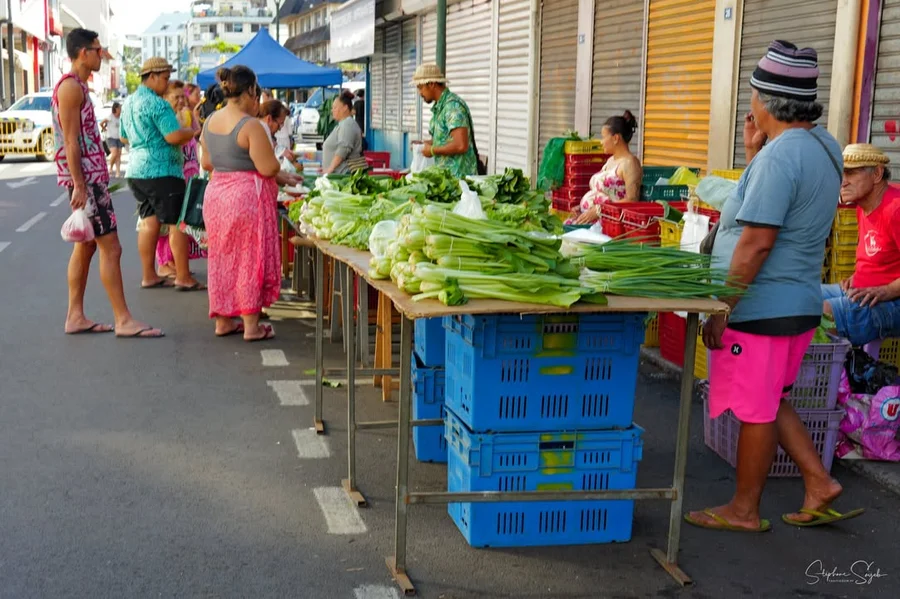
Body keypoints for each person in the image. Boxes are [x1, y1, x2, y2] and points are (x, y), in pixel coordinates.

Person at [685, 41, 863, 532]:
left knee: (757, 409)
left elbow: (757, 243)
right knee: (771, 397)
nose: (751, 104)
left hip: (762, 306)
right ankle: (817, 481)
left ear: (769, 101)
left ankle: (744, 509)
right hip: (799, 301)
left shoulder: (782, 157)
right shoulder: (823, 145)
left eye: (755, 94)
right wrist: (753, 153)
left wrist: (724, 306)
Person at [52, 28, 162, 338]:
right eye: (98, 50)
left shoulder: (76, 87)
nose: (102, 55)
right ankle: (123, 319)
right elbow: (71, 141)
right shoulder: (71, 88)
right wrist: (80, 184)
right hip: (87, 180)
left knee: (86, 246)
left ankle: (75, 316)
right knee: (111, 248)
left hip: (88, 178)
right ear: (83, 52)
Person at [199, 66, 281, 341]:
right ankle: (251, 326)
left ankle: (223, 320)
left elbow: (206, 162)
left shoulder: (210, 120)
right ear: (249, 91)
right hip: (245, 197)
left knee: (221, 257)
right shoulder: (250, 126)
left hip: (217, 194)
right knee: (248, 258)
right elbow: (268, 167)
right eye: (256, 93)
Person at [121, 58, 200, 291]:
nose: (167, 84)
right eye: (165, 78)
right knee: (177, 223)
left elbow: (125, 137)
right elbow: (173, 136)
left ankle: (149, 275)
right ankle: (183, 277)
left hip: (136, 170)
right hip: (162, 171)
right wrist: (192, 132)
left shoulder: (129, 103)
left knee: (149, 222)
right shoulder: (158, 104)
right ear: (152, 76)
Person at [821, 144, 900, 346]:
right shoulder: (862, 206)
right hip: (864, 291)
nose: (843, 182)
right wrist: (858, 277)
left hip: (893, 301)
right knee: (801, 295)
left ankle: (837, 374)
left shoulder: (895, 209)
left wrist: (888, 290)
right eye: (842, 173)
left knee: (822, 313)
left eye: (851, 173)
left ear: (876, 174)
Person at [150, 79, 206, 279]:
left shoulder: (186, 115)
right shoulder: (166, 119)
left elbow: (197, 132)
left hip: (189, 173)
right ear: (165, 98)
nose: (182, 100)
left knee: (184, 221)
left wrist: (192, 114)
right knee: (168, 223)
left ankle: (177, 261)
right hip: (173, 174)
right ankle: (164, 262)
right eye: (177, 97)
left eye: (183, 96)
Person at [570, 111, 643, 224]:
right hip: (592, 219)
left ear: (615, 138)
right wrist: (583, 209)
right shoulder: (610, 161)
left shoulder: (630, 163)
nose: (601, 142)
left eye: (604, 137)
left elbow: (632, 200)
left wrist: (600, 210)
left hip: (611, 223)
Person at [413, 63, 478, 178]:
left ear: (431, 84)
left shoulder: (452, 107)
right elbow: (446, 139)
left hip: (460, 181)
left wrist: (432, 150)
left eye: (420, 87)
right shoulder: (440, 107)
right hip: (448, 179)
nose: (419, 93)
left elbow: (460, 145)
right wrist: (426, 144)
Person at [259, 100, 304, 184]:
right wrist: (290, 181)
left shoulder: (264, 133)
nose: (279, 128)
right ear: (269, 119)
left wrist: (289, 176)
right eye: (279, 124)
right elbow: (268, 170)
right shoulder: (259, 133)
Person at [322, 91, 364, 175]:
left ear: (345, 108)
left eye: (335, 107)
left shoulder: (347, 124)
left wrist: (330, 169)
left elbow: (344, 149)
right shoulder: (343, 124)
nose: (332, 111)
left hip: (342, 175)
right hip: (337, 174)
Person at [101, 102, 124, 178]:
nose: (120, 109)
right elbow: (101, 123)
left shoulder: (121, 117)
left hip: (119, 137)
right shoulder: (110, 117)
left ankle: (118, 172)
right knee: (114, 153)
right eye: (119, 108)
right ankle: (110, 167)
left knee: (119, 155)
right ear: (116, 109)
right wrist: (104, 129)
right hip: (111, 137)